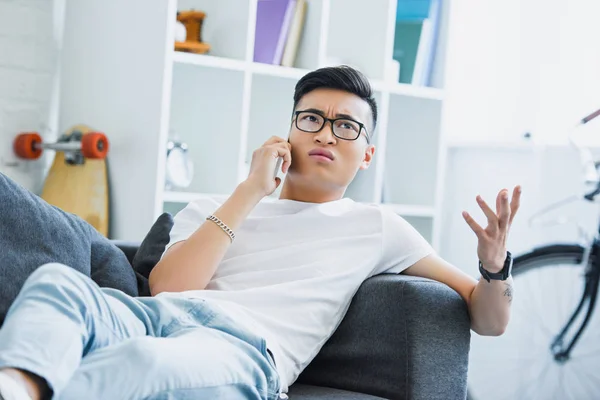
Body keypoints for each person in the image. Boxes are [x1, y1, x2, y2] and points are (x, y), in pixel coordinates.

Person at [0, 65, 521, 400]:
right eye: (311, 118)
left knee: (141, 364)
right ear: (288, 131)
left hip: (244, 352)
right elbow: (168, 289)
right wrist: (251, 190)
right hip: (155, 316)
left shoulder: (377, 226)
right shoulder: (215, 205)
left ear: (366, 155)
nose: (324, 133)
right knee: (58, 283)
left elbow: (489, 319)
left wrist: (494, 264)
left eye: (346, 126)